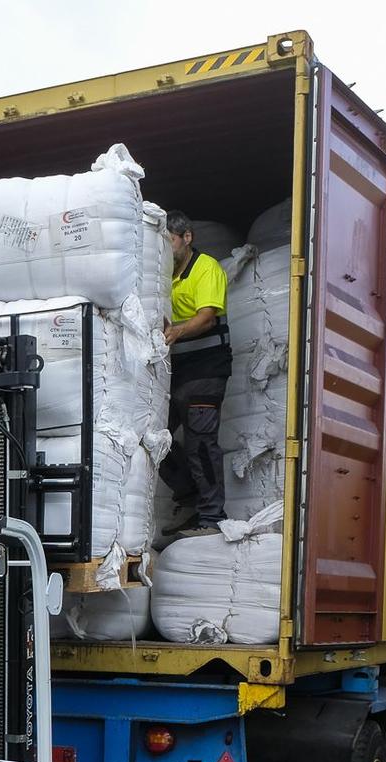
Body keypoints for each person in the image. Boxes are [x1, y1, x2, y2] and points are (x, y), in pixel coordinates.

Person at [159, 213, 233, 536]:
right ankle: (189, 499)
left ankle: (212, 517)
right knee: (152, 438)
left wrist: (174, 332)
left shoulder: (206, 269)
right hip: (176, 371)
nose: (166, 249)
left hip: (207, 368)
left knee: (200, 443)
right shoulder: (163, 277)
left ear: (186, 237)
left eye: (170, 241)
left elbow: (205, 318)